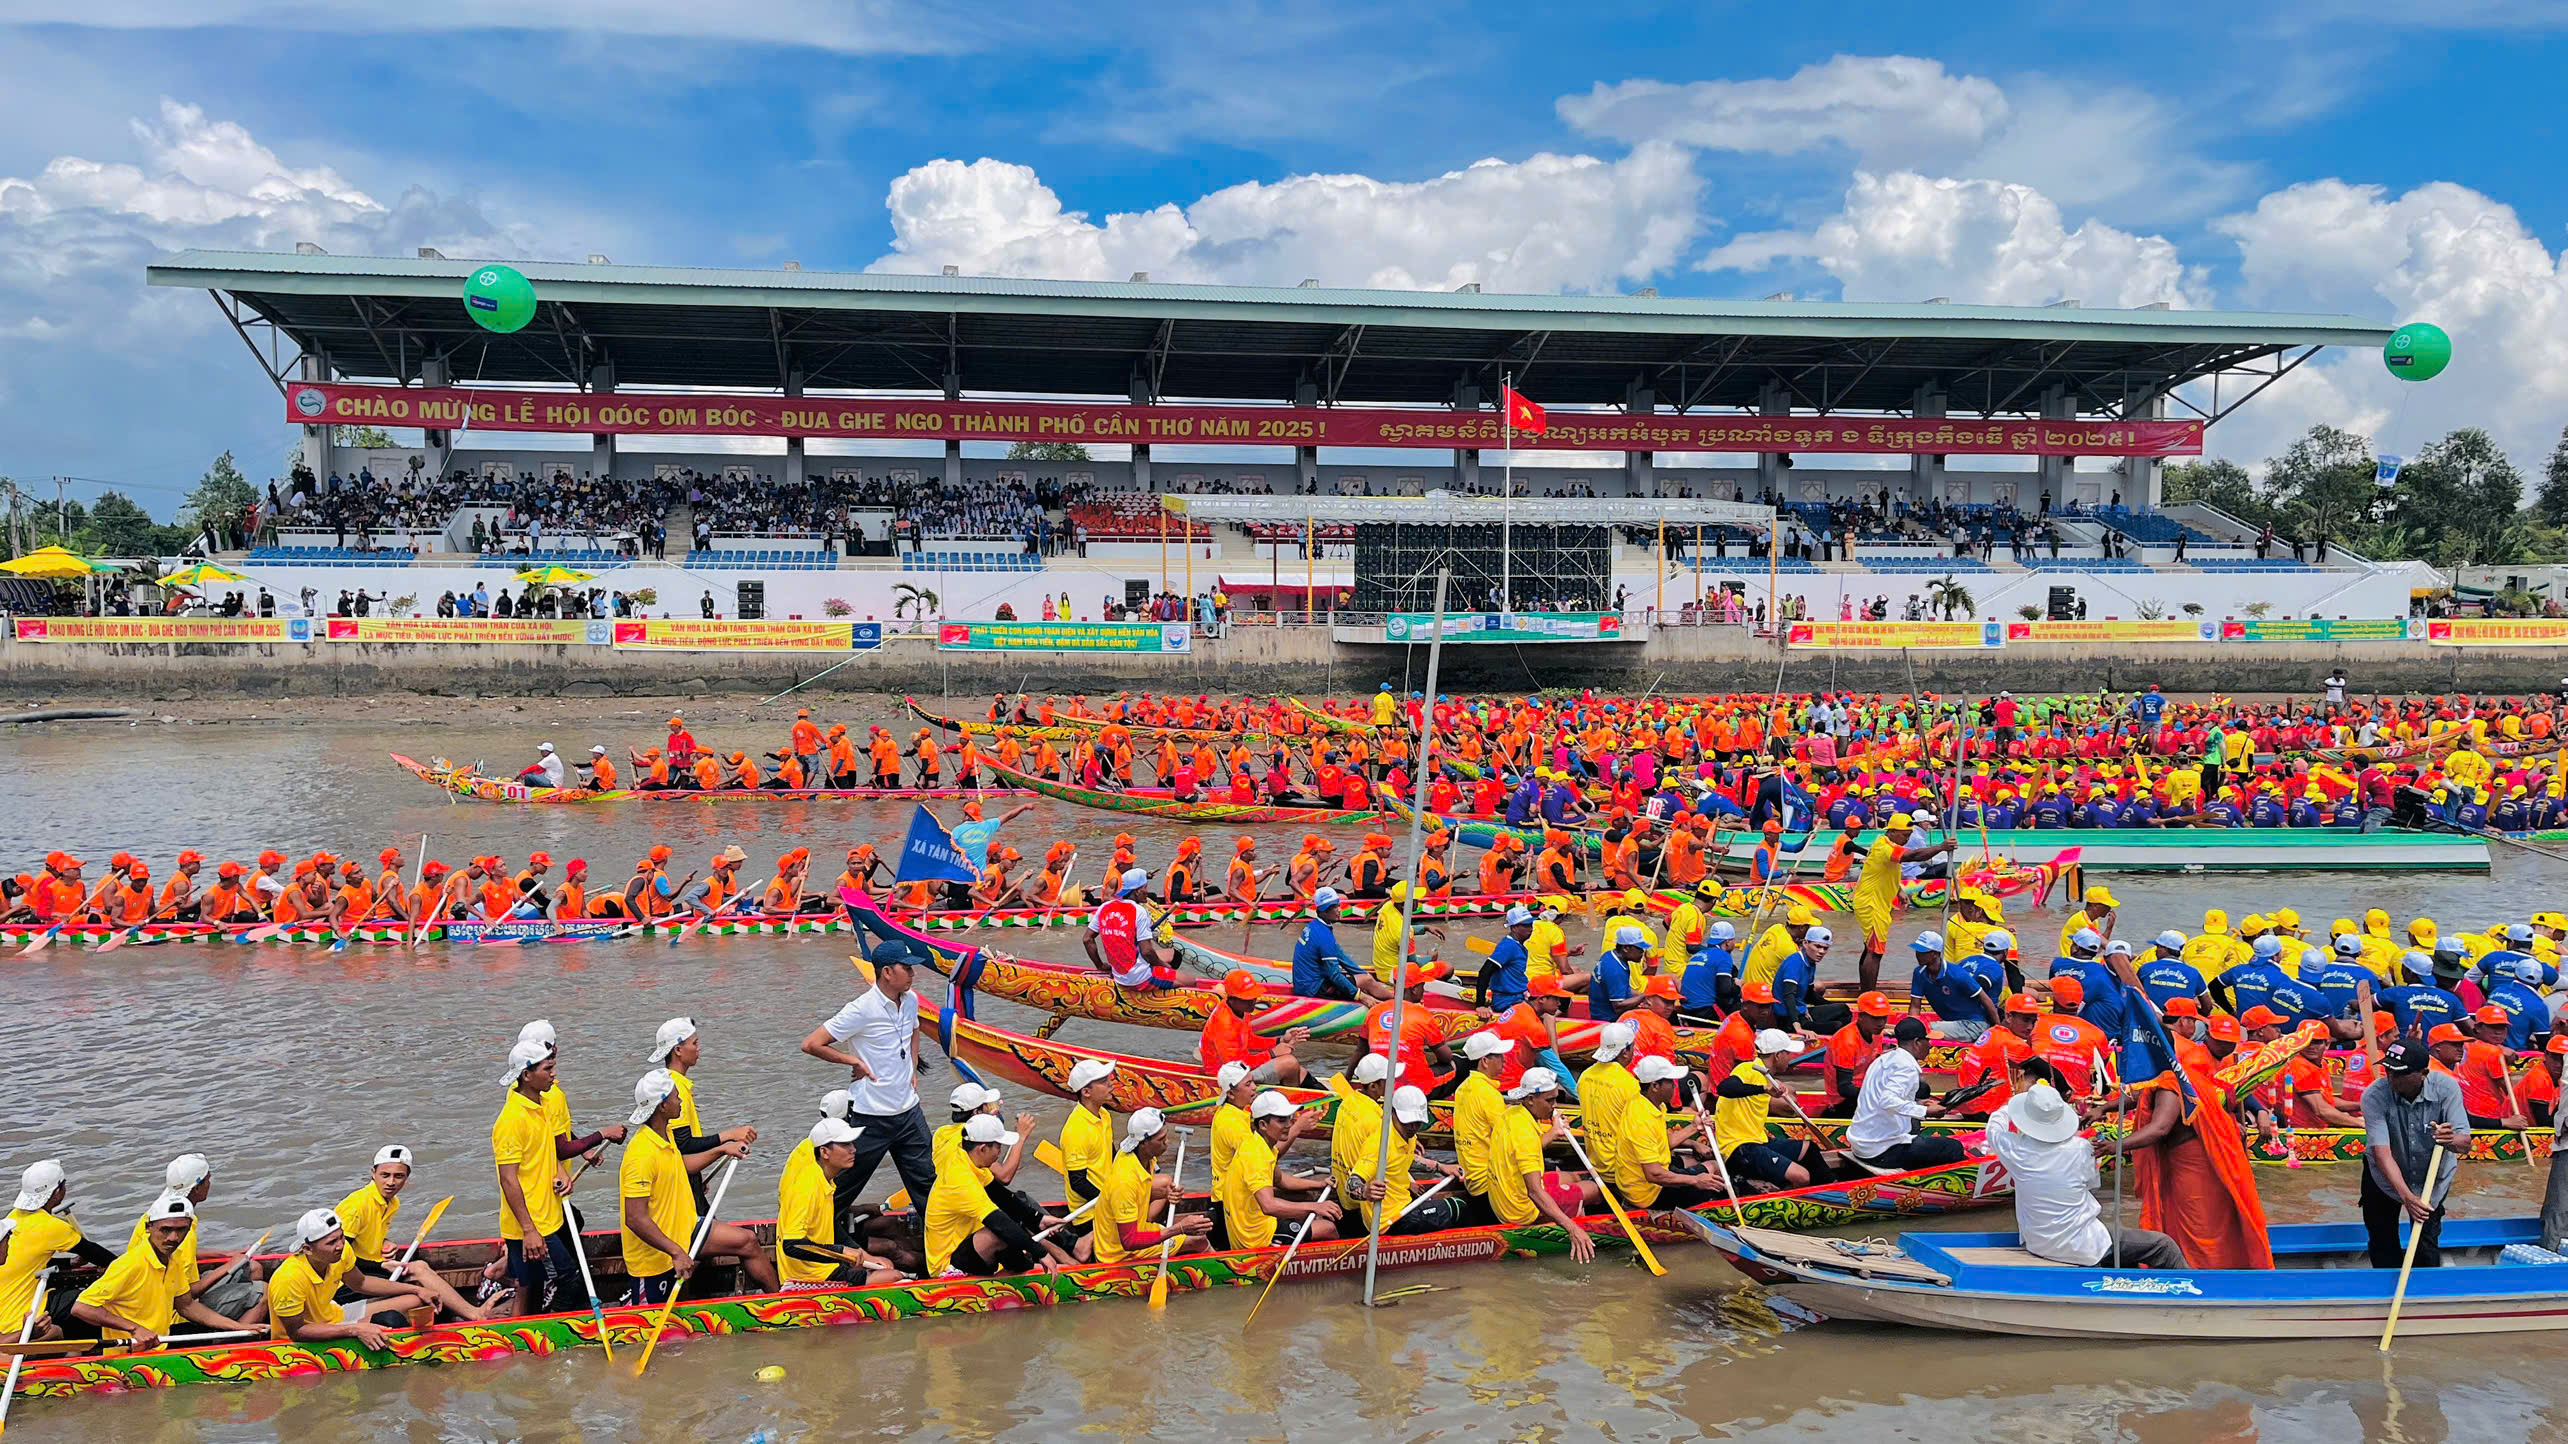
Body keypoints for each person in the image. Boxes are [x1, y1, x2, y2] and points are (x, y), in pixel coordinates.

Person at [1983, 1083, 2189, 1268]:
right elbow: (2092, 1185)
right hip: (2083, 1244)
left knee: (2128, 1251)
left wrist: (2010, 1106)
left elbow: (1994, 1127)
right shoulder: (2081, 1149)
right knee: (2165, 1246)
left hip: (2036, 1242)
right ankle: (2195, 1296)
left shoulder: (2013, 1149)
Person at [620, 1067, 772, 1303]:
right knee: (663, 1337)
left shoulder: (664, 1134)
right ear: (662, 1106)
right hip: (654, 1257)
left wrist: (722, 1150)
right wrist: (676, 1252)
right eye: (674, 1096)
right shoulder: (640, 1155)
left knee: (748, 1241)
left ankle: (781, 1301)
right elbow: (635, 1218)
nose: (680, 1100)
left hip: (685, 1228)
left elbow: (682, 1165)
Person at [800, 953, 938, 1214]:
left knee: (929, 1186)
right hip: (870, 1116)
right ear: (887, 972)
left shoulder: (911, 1000)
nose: (912, 974)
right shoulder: (861, 1008)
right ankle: (822, 1237)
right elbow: (811, 1044)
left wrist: (912, 1066)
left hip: (909, 1113)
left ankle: (942, 1246)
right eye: (906, 968)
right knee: (843, 1187)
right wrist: (852, 1060)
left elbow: (915, 1029)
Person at [333, 1145, 490, 1320]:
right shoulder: (357, 1205)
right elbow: (338, 1256)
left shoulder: (392, 1203)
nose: (391, 1182)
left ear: (407, 1177)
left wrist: (383, 1241)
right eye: (385, 1175)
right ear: (373, 1173)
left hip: (371, 1270)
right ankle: (473, 1314)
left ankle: (464, 1314)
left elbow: (361, 1234)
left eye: (398, 1176)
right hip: (348, 1284)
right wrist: (381, 1266)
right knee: (418, 1273)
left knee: (420, 1268)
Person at [2360, 1040, 2470, 1269]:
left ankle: (2425, 1294)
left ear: (2423, 1074)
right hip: (2384, 1176)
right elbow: (2382, 1154)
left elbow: (2465, 1143)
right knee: (2381, 1238)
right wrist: (2407, 1197)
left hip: (2431, 1176)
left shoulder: (2447, 1088)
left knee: (2425, 1244)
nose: (2391, 1078)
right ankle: (2385, 1289)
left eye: (2400, 1074)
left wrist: (2449, 1140)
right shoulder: (2374, 1095)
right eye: (2388, 1070)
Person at [929, 1115, 1081, 1276]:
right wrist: (1041, 1253)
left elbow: (1003, 1198)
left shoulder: (970, 1160)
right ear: (982, 1149)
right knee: (998, 1231)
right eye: (999, 1147)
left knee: (1010, 1219)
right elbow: (998, 1223)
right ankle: (1028, 1269)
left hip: (967, 1244)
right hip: (948, 1266)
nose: (999, 1153)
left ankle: (1023, 1269)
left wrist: (1038, 1219)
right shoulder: (960, 1179)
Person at [265, 1207, 434, 1349]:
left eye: (341, 1237)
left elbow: (361, 1282)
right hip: (301, 1340)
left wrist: (417, 1289)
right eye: (331, 1243)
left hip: (334, 1315)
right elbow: (297, 1332)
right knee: (391, 1320)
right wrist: (355, 1330)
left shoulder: (342, 1250)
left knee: (417, 1300)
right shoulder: (288, 1278)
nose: (340, 1246)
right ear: (307, 1249)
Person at [1218, 1091, 1342, 1249]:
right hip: (1257, 1239)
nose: (1289, 1125)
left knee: (1316, 1212)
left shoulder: (1262, 1145)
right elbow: (1269, 1206)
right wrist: (1315, 1207)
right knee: (1328, 1228)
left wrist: (1318, 1185)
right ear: (1263, 1125)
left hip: (1262, 1223)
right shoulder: (1255, 1155)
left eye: (1290, 1118)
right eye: (1282, 1120)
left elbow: (1280, 1180)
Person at [1713, 1029, 1832, 1191]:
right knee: (1802, 1177)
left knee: (1808, 1148)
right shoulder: (1750, 1068)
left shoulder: (1765, 1076)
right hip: (1738, 1147)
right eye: (1787, 1054)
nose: (1790, 1059)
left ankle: (1830, 1188)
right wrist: (1764, 1089)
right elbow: (1725, 1088)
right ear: (1777, 1055)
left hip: (1758, 1140)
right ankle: (1782, 1203)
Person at [1092, 1108, 1214, 1265]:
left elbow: (1140, 1192)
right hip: (1118, 1254)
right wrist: (1179, 1228)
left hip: (1137, 1229)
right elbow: (1129, 1242)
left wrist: (1166, 1194)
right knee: (1199, 1240)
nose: (1167, 1143)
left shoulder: (1140, 1156)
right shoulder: (1124, 1180)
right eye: (1161, 1140)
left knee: (1166, 1186)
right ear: (1143, 1143)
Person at [1852, 812, 1955, 990]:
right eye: (1904, 835)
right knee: (1875, 952)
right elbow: (1912, 856)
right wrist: (1941, 847)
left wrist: (1898, 890)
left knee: (1871, 949)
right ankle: (1868, 993)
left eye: (1909, 835)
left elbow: (1883, 871)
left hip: (1878, 903)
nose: (1907, 839)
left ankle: (1865, 989)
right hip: (1871, 904)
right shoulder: (1884, 847)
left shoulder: (1886, 842)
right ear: (1892, 832)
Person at [1846, 1018, 1964, 1171]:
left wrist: (1919, 1105)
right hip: (1880, 1151)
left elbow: (1884, 1097)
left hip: (1861, 1144)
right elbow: (1887, 1100)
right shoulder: (1906, 1066)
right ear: (1917, 1042)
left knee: (1914, 1125)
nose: (1930, 1045)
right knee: (1954, 1148)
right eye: (1927, 1041)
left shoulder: (1885, 1058)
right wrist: (1926, 1111)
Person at [1613, 1056, 1729, 1210]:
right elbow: (1654, 1175)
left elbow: (1665, 1143)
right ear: (1655, 1086)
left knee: (1695, 1161)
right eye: (1670, 1081)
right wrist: (1696, 1181)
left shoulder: (1650, 1103)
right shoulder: (1641, 1120)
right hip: (1647, 1194)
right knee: (1713, 1169)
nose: (1675, 1086)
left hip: (1650, 1175)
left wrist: (1694, 1127)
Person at [1199, 970, 1313, 1083]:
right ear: (1232, 999)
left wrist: (1280, 1040)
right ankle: (1291, 1098)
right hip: (1225, 1077)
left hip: (1242, 1068)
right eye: (1247, 999)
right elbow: (1235, 1067)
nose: (1253, 1002)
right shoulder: (1224, 1024)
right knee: (1289, 1063)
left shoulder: (1242, 1010)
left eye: (1254, 997)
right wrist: (1272, 1053)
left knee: (1300, 1071)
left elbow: (1249, 1040)